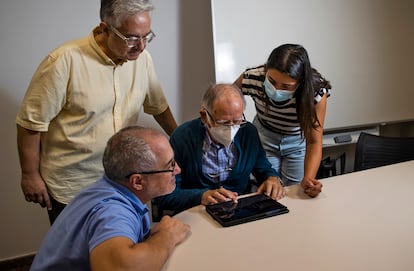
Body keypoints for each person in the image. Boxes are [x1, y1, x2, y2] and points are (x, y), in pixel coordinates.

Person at [16, 0, 178, 224]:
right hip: (75, 184)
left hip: (125, 180)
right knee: (79, 255)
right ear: (105, 28)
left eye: (147, 36)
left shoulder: (142, 60)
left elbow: (158, 107)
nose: (141, 46)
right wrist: (30, 175)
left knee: (128, 247)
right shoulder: (64, 61)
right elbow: (30, 123)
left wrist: (180, 141)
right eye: (131, 38)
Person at [30, 126, 190, 271]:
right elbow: (120, 268)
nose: (177, 169)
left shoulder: (105, 188)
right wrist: (167, 236)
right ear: (138, 181)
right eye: (170, 165)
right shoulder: (112, 210)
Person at [153, 83, 286, 216]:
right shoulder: (182, 138)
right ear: (204, 116)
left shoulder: (248, 133)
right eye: (224, 123)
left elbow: (264, 169)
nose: (231, 129)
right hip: (197, 213)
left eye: (237, 121)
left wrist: (272, 178)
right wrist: (201, 196)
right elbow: (165, 196)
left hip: (238, 211)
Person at [234, 43, 332, 197]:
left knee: (296, 192)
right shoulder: (253, 77)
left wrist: (309, 178)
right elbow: (227, 100)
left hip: (296, 141)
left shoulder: (315, 91)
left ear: (301, 82)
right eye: (272, 81)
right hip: (263, 137)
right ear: (266, 69)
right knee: (268, 192)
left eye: (286, 86)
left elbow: (314, 141)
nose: (277, 90)